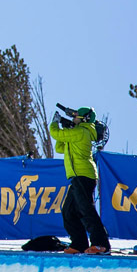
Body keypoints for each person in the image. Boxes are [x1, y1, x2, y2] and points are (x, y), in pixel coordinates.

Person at [50, 106, 110, 255]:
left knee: (86, 210)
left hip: (84, 175)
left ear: (84, 119)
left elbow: (55, 133)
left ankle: (101, 244)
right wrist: (65, 128)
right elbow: (60, 147)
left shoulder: (82, 131)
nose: (73, 117)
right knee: (68, 211)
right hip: (77, 177)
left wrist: (55, 123)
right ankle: (79, 243)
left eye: (76, 116)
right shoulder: (77, 132)